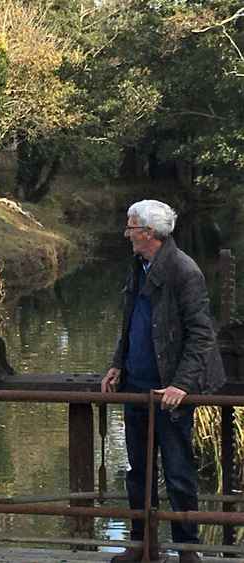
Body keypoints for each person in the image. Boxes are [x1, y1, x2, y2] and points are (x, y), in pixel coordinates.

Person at [101, 200, 225, 563]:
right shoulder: (138, 265)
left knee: (179, 471)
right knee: (137, 471)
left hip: (170, 391)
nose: (126, 233)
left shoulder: (184, 271)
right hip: (138, 388)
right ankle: (143, 546)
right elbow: (130, 321)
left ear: (149, 234)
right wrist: (116, 365)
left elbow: (202, 335)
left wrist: (181, 386)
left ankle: (188, 551)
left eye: (131, 227)